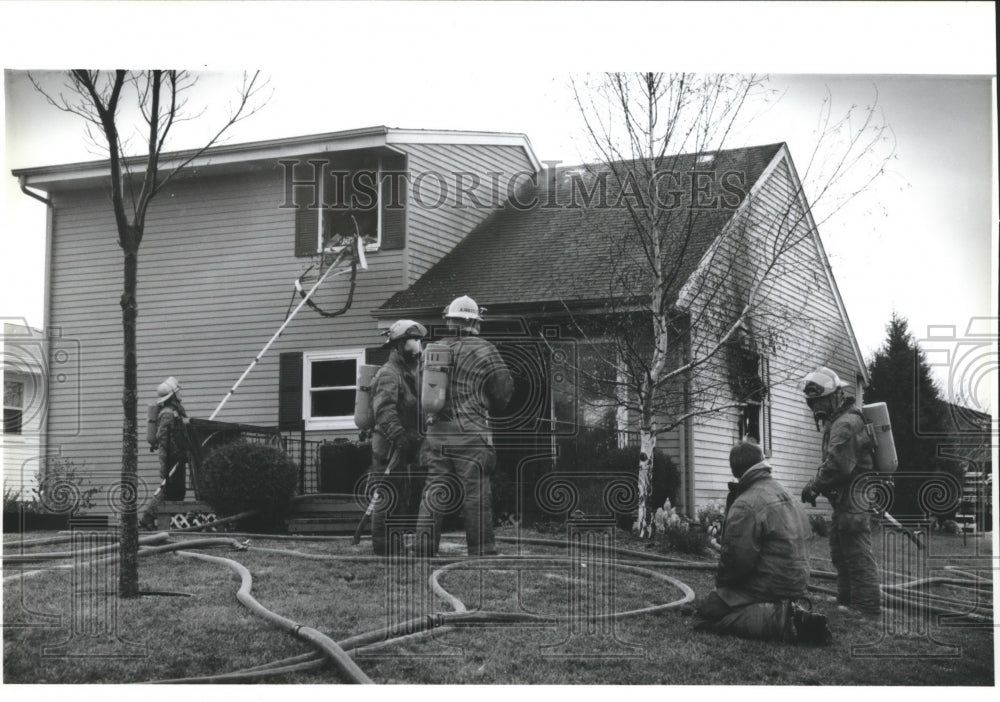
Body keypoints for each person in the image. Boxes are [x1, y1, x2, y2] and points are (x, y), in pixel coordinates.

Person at [694, 440, 831, 644]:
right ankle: (787, 610)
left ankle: (783, 620)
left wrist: (723, 590)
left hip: (769, 584)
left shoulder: (747, 503)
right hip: (796, 582)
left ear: (736, 470)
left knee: (710, 611)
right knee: (714, 605)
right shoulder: (784, 493)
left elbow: (737, 561)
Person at [414, 295, 513, 557]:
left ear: (450, 320)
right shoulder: (485, 349)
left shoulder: (432, 351)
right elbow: (503, 390)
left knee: (434, 488)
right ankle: (481, 550)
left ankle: (423, 548)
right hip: (471, 434)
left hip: (437, 433)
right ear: (473, 322)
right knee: (476, 492)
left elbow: (421, 392)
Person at [800, 366, 881, 618]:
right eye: (812, 402)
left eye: (819, 400)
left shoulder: (846, 424)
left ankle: (866, 608)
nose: (815, 408)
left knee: (856, 552)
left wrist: (813, 486)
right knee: (840, 549)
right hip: (846, 499)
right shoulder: (839, 422)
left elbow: (837, 466)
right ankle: (847, 601)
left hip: (855, 499)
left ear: (835, 396)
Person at [367, 319, 427, 556]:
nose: (418, 344)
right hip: (388, 446)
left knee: (401, 494)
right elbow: (383, 410)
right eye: (414, 339)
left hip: (404, 445)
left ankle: (395, 545)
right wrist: (399, 435)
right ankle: (383, 547)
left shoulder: (409, 373)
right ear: (401, 344)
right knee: (386, 494)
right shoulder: (389, 374)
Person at [139, 376, 190, 529]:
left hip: (178, 456)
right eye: (177, 392)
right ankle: (147, 518)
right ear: (173, 395)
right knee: (167, 489)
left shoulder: (174, 411)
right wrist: (165, 462)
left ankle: (168, 520)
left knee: (178, 490)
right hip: (171, 457)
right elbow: (163, 437)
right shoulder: (167, 413)